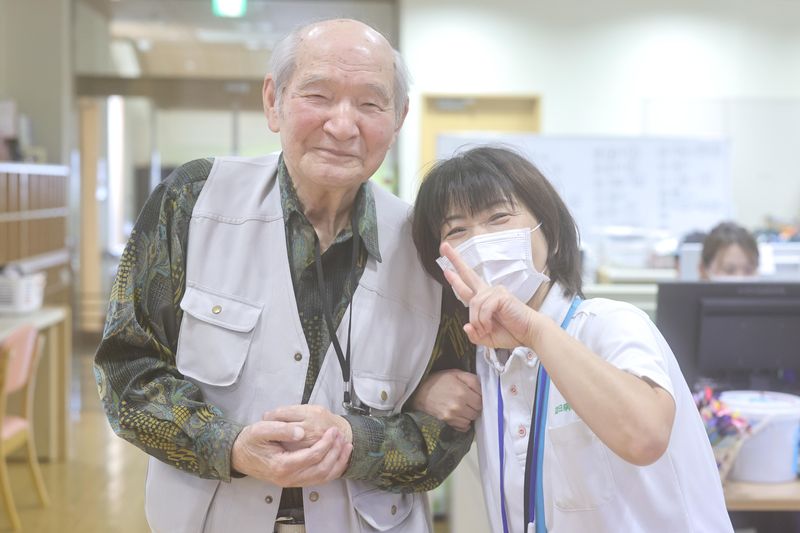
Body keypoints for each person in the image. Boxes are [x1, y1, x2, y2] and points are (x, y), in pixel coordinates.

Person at [94, 19, 473, 533]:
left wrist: (357, 441)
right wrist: (227, 444)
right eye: (318, 95)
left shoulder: (426, 245)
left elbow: (449, 430)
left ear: (399, 116)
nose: (343, 126)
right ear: (274, 101)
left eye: (369, 104)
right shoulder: (192, 202)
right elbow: (125, 369)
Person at [410, 146, 733, 533]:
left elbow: (646, 436)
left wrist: (534, 331)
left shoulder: (609, 324)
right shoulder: (484, 356)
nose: (479, 240)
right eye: (457, 230)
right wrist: (423, 392)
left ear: (553, 234)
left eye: (498, 217)